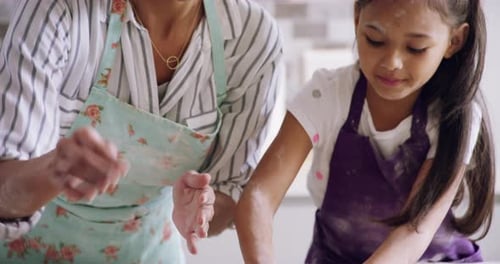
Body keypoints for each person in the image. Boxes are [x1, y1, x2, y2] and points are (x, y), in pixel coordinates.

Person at [0, 0, 283, 262]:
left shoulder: (252, 39)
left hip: (148, 252)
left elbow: (228, 194)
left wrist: (204, 209)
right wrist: (53, 170)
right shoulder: (59, 9)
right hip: (25, 249)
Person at [235, 0, 496, 263]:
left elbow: (414, 230)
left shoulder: (455, 117)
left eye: (415, 48)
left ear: (454, 41)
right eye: (375, 40)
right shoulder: (326, 95)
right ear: (357, 19)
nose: (392, 62)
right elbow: (260, 196)